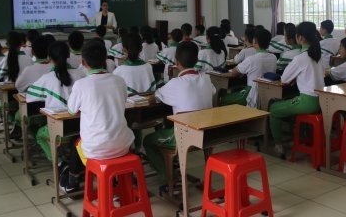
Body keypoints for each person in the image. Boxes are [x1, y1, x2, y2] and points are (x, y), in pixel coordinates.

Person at [60, 40, 135, 193]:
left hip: (97, 149)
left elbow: (72, 110)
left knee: (77, 143)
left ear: (83, 62)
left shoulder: (81, 84)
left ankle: (73, 180)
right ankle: (115, 183)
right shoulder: (119, 81)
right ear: (106, 58)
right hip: (124, 144)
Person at [143, 41, 215, 190]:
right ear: (197, 59)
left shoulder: (175, 83)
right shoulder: (206, 78)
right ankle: (174, 164)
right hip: (207, 134)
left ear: (176, 62)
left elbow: (152, 99)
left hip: (184, 137)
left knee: (148, 140)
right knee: (170, 123)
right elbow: (213, 92)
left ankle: (167, 177)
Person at [269, 22, 324, 157]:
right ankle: (300, 137)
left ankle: (278, 144)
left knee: (274, 109)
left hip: (307, 102)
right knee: (290, 101)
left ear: (300, 38)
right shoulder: (318, 55)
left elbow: (284, 79)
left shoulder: (300, 58)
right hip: (321, 100)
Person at [26, 41, 84, 162]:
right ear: (68, 55)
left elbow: (29, 97)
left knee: (39, 135)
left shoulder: (47, 78)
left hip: (58, 130)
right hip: (81, 128)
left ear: (49, 57)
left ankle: (59, 163)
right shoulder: (80, 74)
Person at [221, 28, 277, 108]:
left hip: (251, 93)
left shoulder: (251, 59)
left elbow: (234, 72)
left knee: (224, 99)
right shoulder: (274, 57)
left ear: (255, 41)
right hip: (268, 92)